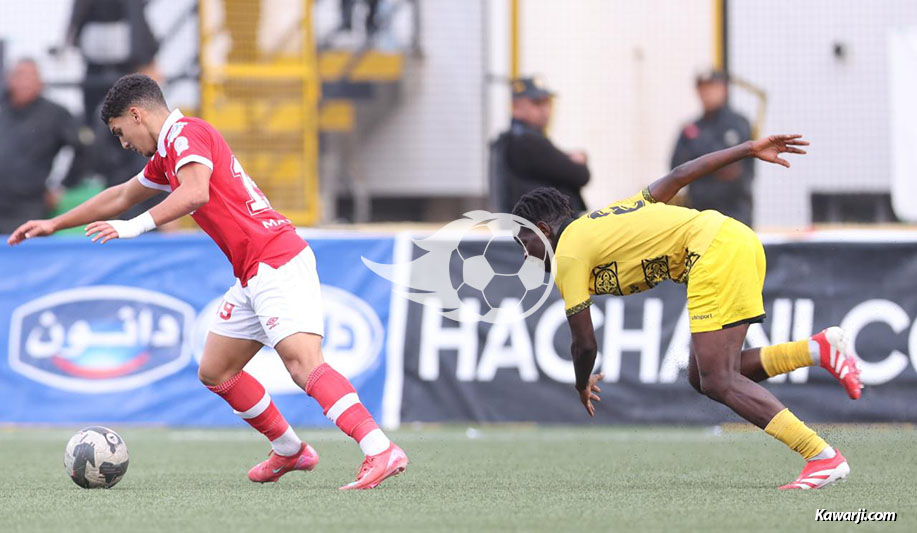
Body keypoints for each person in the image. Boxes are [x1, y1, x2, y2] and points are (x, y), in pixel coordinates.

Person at [7, 74, 407, 490]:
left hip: (276, 259)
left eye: (120, 132)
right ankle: (290, 450)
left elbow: (195, 193)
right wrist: (54, 223)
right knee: (217, 370)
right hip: (253, 272)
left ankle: (379, 448)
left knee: (303, 364)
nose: (123, 143)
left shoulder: (186, 133)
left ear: (136, 114)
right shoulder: (168, 153)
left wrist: (135, 228)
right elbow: (123, 195)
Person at [512, 134, 864, 490]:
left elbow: (584, 344)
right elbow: (680, 175)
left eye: (523, 243)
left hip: (713, 252)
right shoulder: (603, 219)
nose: (525, 255)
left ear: (542, 230)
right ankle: (818, 350)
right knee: (705, 376)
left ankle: (822, 457)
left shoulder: (568, 253)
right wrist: (748, 149)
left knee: (717, 379)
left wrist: (581, 383)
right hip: (735, 239)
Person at [0, 59, 85, 234]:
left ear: (40, 83)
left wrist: (64, 185)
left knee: (26, 254)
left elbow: (83, 149)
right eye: (19, 76)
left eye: (31, 77)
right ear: (9, 79)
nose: (25, 83)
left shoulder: (55, 114)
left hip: (30, 205)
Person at [490, 77, 590, 214]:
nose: (545, 110)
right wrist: (577, 161)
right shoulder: (527, 142)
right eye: (537, 103)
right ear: (516, 108)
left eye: (547, 103)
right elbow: (580, 175)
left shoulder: (514, 140)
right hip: (540, 231)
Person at [671, 69, 754, 226]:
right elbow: (677, 168)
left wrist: (700, 167)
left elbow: (735, 169)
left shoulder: (739, 124)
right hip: (700, 215)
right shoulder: (690, 129)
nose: (708, 93)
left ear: (724, 89)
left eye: (712, 87)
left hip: (735, 214)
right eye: (703, 88)